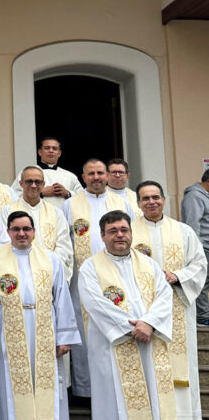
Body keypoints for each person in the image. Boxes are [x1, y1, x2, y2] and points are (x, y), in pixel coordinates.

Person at [78, 210, 183, 420]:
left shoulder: (149, 264)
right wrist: (132, 328)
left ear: (131, 233)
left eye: (124, 229)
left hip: (149, 349)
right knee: (113, 414)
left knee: (153, 411)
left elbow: (164, 296)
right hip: (113, 350)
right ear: (102, 236)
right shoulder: (91, 267)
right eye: (113, 231)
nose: (120, 235)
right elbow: (95, 303)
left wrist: (148, 324)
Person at [0, 211, 79, 420]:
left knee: (48, 391)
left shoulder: (51, 259)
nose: (22, 234)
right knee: (13, 393)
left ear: (34, 231)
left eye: (26, 229)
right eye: (16, 229)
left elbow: (62, 297)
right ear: (8, 232)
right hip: (8, 331)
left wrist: (65, 336)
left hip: (44, 329)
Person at [133, 180, 207, 420]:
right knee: (150, 366)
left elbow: (200, 264)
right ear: (138, 203)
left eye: (156, 197)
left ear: (164, 200)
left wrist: (176, 275)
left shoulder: (183, 231)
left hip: (177, 305)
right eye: (145, 198)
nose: (151, 202)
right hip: (145, 307)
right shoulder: (129, 230)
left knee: (181, 366)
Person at [62, 159, 131, 400]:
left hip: (116, 276)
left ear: (107, 175)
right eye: (91, 174)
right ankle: (85, 390)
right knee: (84, 332)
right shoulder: (70, 204)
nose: (96, 177)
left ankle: (117, 387)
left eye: (100, 173)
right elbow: (65, 241)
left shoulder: (121, 203)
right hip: (82, 279)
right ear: (83, 177)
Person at [5, 165, 74, 278]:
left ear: (43, 184)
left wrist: (49, 266)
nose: (33, 185)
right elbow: (5, 243)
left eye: (38, 182)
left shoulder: (56, 212)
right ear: (21, 184)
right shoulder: (8, 211)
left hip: (50, 273)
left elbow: (64, 245)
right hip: (20, 272)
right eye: (29, 181)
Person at [12, 137, 83, 210]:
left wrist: (67, 193)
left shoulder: (70, 176)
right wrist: (40, 192)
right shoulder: (28, 173)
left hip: (63, 215)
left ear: (59, 153)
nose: (51, 151)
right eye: (47, 148)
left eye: (54, 148)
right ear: (40, 152)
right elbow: (14, 195)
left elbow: (83, 198)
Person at [181, 168, 209, 328]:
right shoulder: (194, 196)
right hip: (203, 247)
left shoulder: (205, 196)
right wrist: (197, 249)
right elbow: (192, 224)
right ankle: (202, 316)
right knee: (202, 281)